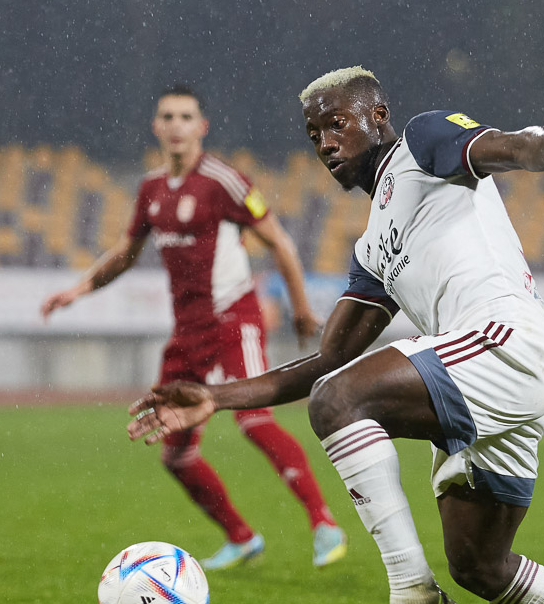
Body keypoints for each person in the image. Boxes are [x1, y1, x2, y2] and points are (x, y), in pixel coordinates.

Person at [127, 67, 544, 604]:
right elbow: (327, 359)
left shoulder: (422, 142)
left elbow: (508, 148)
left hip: (506, 341)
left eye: (337, 123)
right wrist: (216, 397)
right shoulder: (373, 246)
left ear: (378, 116)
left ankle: (413, 598)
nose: (325, 143)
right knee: (479, 563)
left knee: (338, 401)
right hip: (494, 374)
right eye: (313, 133)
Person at [41, 84, 348, 570]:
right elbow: (126, 253)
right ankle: (241, 538)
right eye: (168, 116)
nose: (176, 125)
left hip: (233, 318)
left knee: (254, 420)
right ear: (156, 127)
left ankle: (323, 522)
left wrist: (300, 309)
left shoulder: (224, 181)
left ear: (201, 126)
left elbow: (281, 243)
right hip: (187, 334)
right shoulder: (151, 189)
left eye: (186, 116)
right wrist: (77, 290)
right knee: (174, 453)